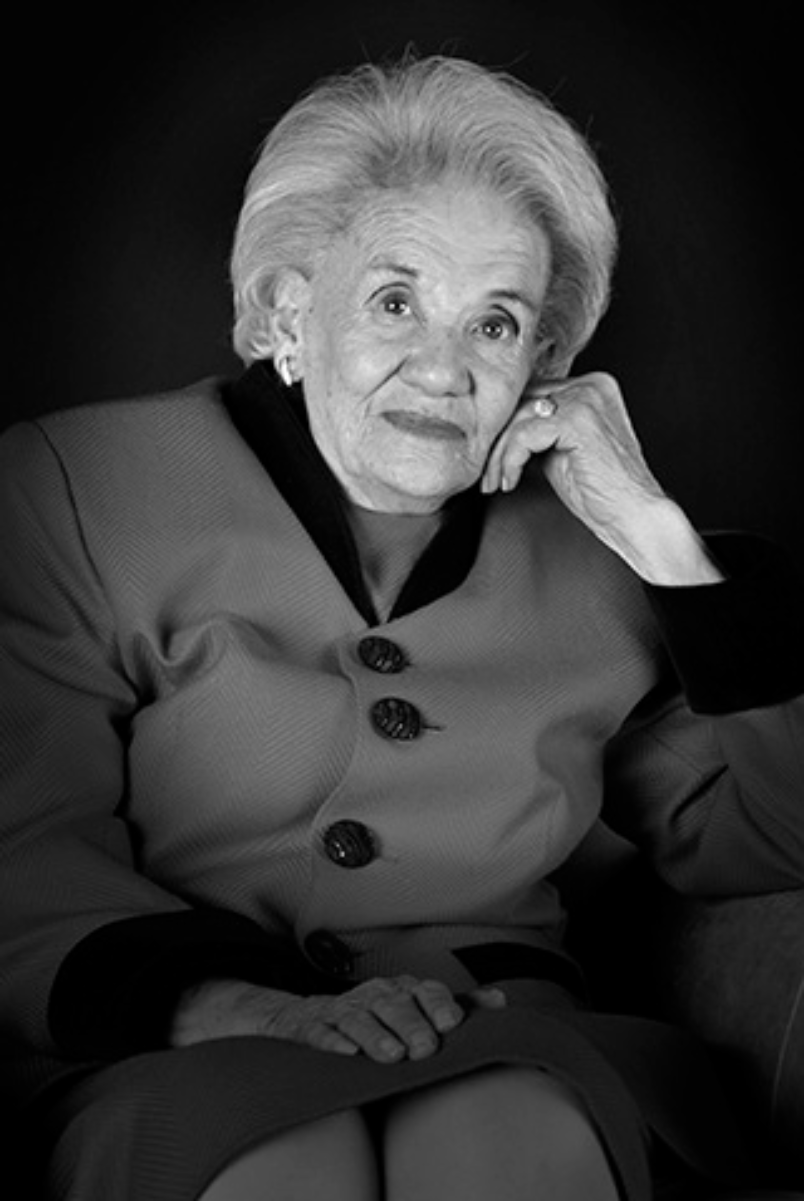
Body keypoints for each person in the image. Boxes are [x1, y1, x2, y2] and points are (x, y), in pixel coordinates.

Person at [1, 54, 802, 1201]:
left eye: (496, 324)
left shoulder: (596, 556)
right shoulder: (77, 489)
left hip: (505, 1032)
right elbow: (22, 847)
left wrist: (667, 544)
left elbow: (769, 837)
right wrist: (228, 1005)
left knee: (507, 1136)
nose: (443, 368)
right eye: (395, 302)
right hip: (175, 1036)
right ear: (289, 309)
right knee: (280, 1160)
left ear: (542, 361)